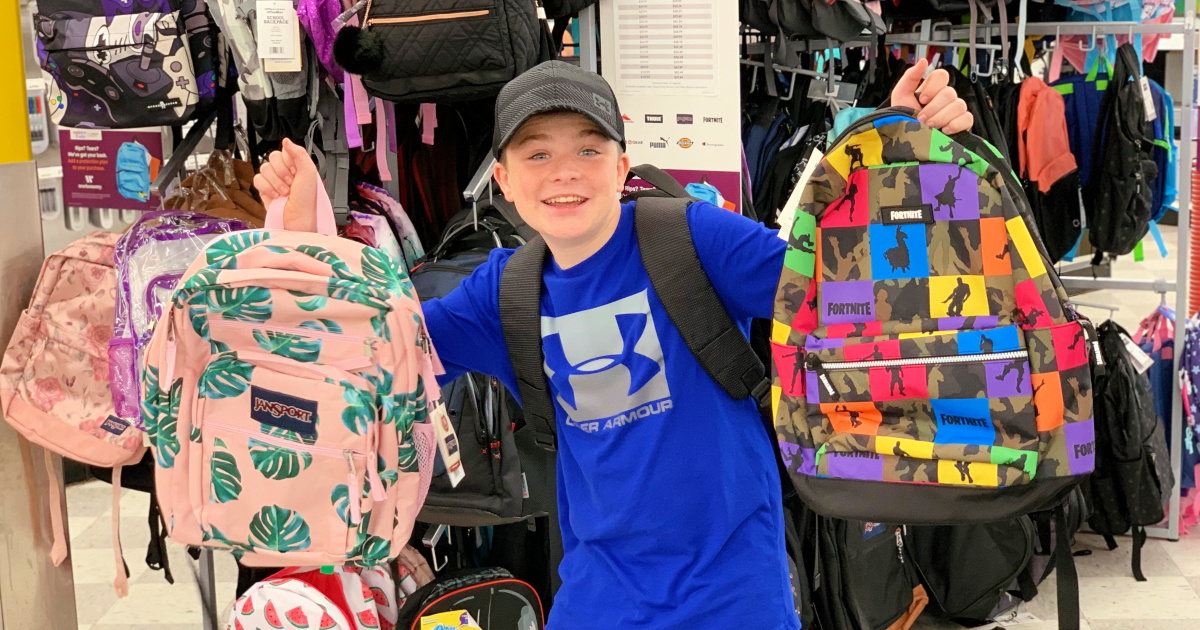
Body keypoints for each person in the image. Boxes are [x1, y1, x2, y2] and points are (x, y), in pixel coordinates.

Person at [253, 59, 973, 630]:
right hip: (597, 604)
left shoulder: (693, 238)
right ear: (502, 180)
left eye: (587, 148)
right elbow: (365, 346)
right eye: (536, 154)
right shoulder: (504, 291)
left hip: (736, 602)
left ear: (622, 161)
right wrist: (310, 236)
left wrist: (907, 154)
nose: (564, 172)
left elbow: (853, 294)